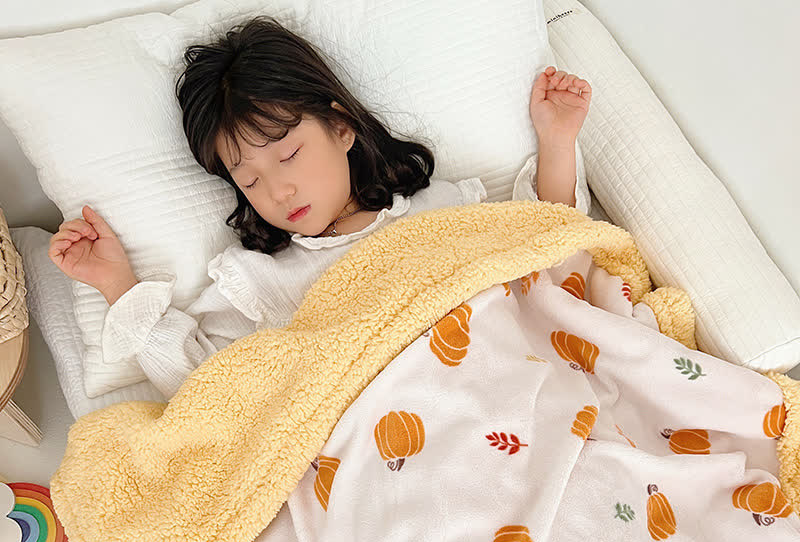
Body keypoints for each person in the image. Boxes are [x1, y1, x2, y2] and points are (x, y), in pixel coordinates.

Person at [48, 16, 592, 400]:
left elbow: (546, 245)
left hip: (506, 385)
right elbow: (208, 391)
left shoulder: (442, 208)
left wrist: (557, 141)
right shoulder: (258, 280)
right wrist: (118, 286)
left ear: (341, 126)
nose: (278, 191)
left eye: (288, 154)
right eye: (249, 180)